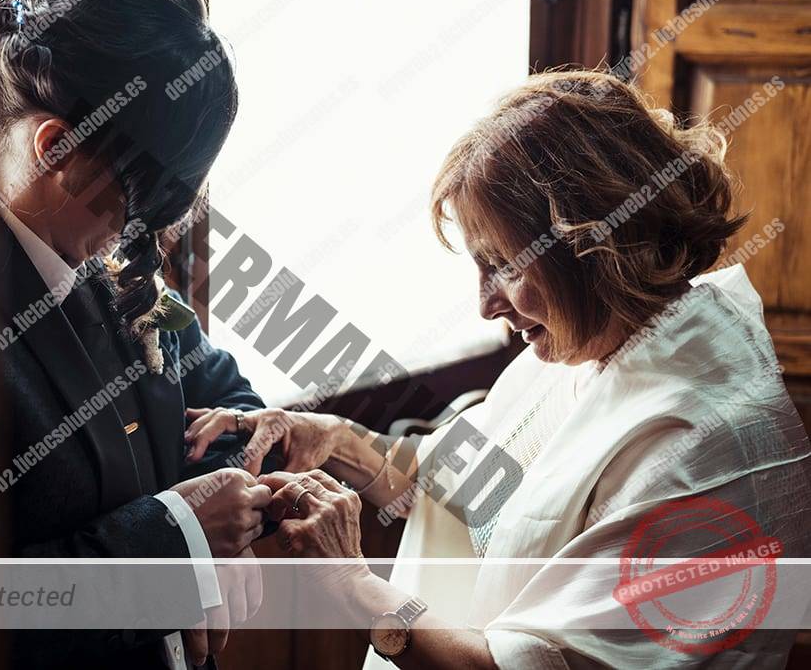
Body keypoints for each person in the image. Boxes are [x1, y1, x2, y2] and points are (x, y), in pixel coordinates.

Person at [186, 70, 811, 668]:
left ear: (592, 245)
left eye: (503, 266)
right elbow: (465, 487)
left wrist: (351, 583)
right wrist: (332, 438)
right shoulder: (594, 346)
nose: (486, 306)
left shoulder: (701, 447)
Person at [0, 0, 279, 667]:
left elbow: (232, 402)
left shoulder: (111, 268)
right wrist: (175, 535)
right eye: (139, 205)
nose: (143, 235)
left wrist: (224, 512)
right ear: (55, 147)